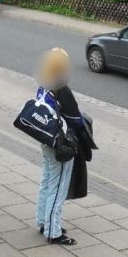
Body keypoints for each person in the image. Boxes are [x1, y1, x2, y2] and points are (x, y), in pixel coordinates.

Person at [34, 48, 84, 246]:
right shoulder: (61, 88)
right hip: (61, 144)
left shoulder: (43, 84)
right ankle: (53, 231)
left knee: (46, 181)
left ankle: (42, 221)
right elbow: (76, 121)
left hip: (46, 139)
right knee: (58, 187)